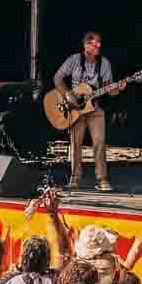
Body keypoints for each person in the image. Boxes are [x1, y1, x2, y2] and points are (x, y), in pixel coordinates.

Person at [53, 30, 116, 191]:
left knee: (99, 143)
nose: (99, 45)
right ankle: (74, 179)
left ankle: (102, 179)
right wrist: (67, 94)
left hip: (95, 109)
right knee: (75, 144)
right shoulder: (74, 60)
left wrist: (118, 88)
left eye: (100, 42)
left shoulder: (105, 63)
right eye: (95, 43)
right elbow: (58, 77)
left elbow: (110, 90)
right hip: (75, 110)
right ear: (86, 45)